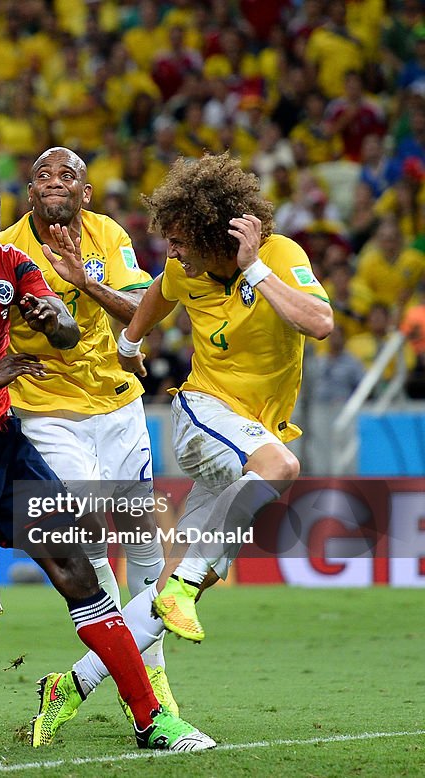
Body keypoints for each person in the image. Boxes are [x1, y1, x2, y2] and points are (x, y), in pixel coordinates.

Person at [0, 171, 214, 754]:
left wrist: (56, 317)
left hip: (4, 445)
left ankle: (152, 719)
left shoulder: (12, 265)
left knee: (77, 566)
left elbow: (70, 333)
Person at [34, 153, 333, 744]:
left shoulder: (278, 256)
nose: (171, 254)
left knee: (166, 586)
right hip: (204, 413)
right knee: (281, 467)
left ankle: (73, 683)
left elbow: (319, 322)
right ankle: (183, 586)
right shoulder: (184, 269)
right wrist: (128, 342)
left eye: (179, 241)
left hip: (253, 428)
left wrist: (253, 271)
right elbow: (156, 298)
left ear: (210, 234)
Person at [0, 147, 174, 720]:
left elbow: (142, 309)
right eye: (42, 174)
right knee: (88, 532)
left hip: (117, 405)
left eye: (66, 174)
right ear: (29, 192)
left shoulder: (107, 236)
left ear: (86, 192)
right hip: (46, 409)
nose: (53, 182)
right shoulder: (6, 250)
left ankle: (149, 675)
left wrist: (82, 281)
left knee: (144, 537)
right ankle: (131, 678)